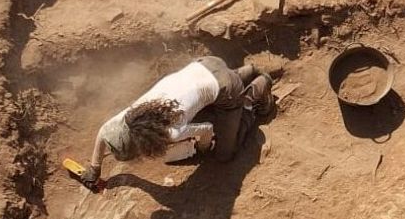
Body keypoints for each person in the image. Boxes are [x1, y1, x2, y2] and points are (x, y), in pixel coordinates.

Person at [80, 56, 272, 187]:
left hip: (226, 89)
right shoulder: (131, 116)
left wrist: (205, 149)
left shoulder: (171, 132)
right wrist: (94, 168)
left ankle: (254, 94)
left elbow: (207, 129)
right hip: (205, 63)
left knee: (224, 155)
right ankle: (247, 70)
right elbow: (103, 132)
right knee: (214, 85)